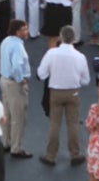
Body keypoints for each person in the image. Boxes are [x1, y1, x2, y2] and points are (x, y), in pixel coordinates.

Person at [38, 24, 90, 166]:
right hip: (73, 92)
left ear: (60, 37)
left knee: (54, 123)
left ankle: (51, 155)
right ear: (73, 39)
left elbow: (41, 73)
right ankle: (75, 153)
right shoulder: (80, 56)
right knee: (73, 123)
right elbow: (86, 80)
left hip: (55, 92)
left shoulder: (52, 53)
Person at [0, 19, 32, 159]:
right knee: (18, 117)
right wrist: (21, 79)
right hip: (14, 84)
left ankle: (5, 142)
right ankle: (16, 148)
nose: (27, 31)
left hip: (4, 80)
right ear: (18, 32)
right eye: (24, 29)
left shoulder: (6, 41)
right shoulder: (18, 46)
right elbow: (17, 65)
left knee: (7, 113)